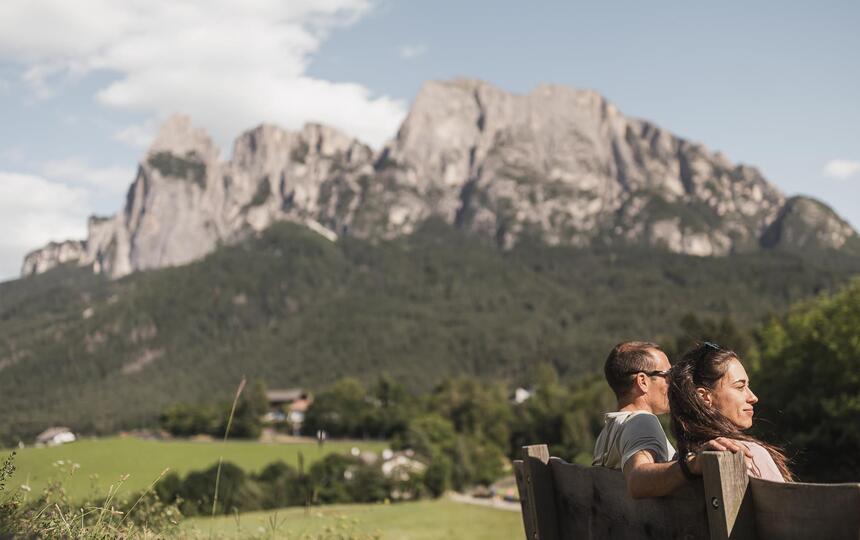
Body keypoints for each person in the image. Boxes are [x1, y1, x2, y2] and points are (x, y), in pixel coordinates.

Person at [593, 341, 750, 498]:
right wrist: (692, 464)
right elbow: (637, 481)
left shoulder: (608, 432)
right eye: (668, 375)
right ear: (643, 381)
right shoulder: (641, 421)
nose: (674, 383)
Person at [669, 342, 792, 482]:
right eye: (740, 387)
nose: (753, 397)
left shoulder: (677, 466)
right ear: (704, 397)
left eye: (748, 386)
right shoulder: (747, 454)